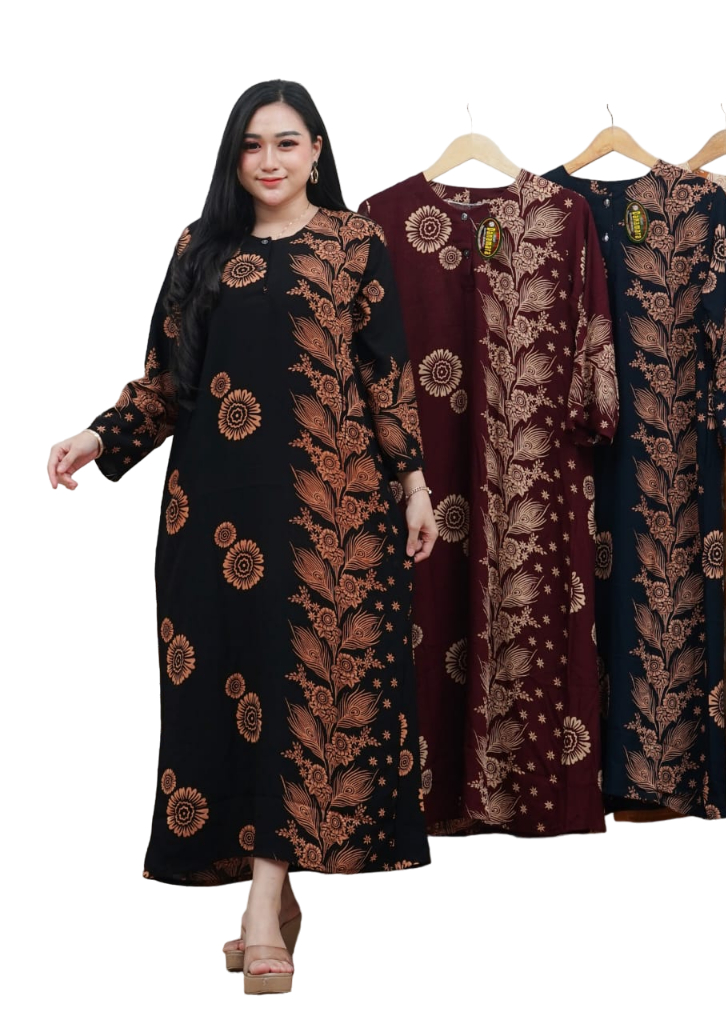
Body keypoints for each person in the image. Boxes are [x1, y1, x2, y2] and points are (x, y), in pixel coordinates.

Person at [46, 80, 437, 995]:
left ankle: (263, 911)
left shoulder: (355, 244)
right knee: (233, 696)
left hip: (333, 514)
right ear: (234, 156)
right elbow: (167, 379)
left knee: (304, 690)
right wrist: (99, 435)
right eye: (253, 145)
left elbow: (386, 374)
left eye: (287, 143)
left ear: (317, 151)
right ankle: (276, 896)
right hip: (213, 515)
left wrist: (415, 485)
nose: (269, 161)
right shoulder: (202, 248)